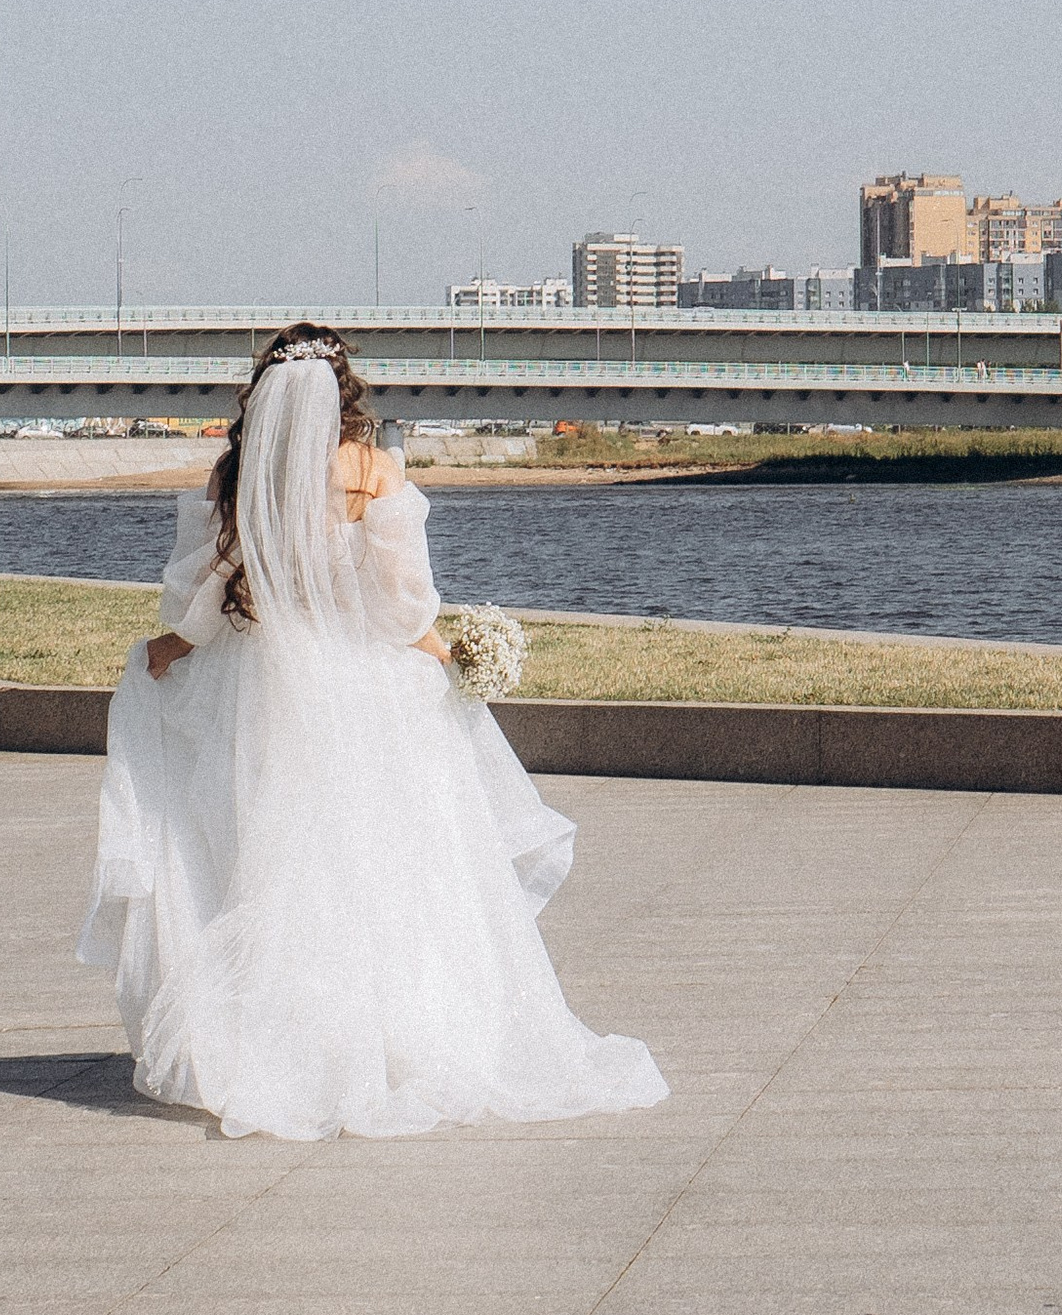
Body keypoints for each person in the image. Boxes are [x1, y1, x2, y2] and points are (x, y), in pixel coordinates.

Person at [79, 321, 669, 1142]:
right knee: (387, 864)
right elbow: (398, 608)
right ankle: (395, 1040)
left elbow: (202, 591)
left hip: (260, 686)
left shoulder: (236, 473)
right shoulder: (372, 472)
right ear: (345, 387)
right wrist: (451, 652)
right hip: (364, 690)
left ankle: (279, 1040)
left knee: (269, 861)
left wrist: (174, 647)